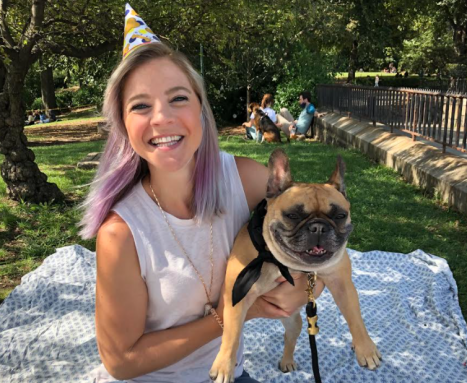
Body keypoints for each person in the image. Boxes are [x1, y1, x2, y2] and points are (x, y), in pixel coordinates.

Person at [80, 5, 315, 383]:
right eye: (140, 105)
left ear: (201, 109)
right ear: (123, 125)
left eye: (178, 98)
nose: (162, 118)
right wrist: (234, 312)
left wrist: (304, 285)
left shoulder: (249, 181)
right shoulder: (121, 233)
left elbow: (313, 246)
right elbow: (121, 362)